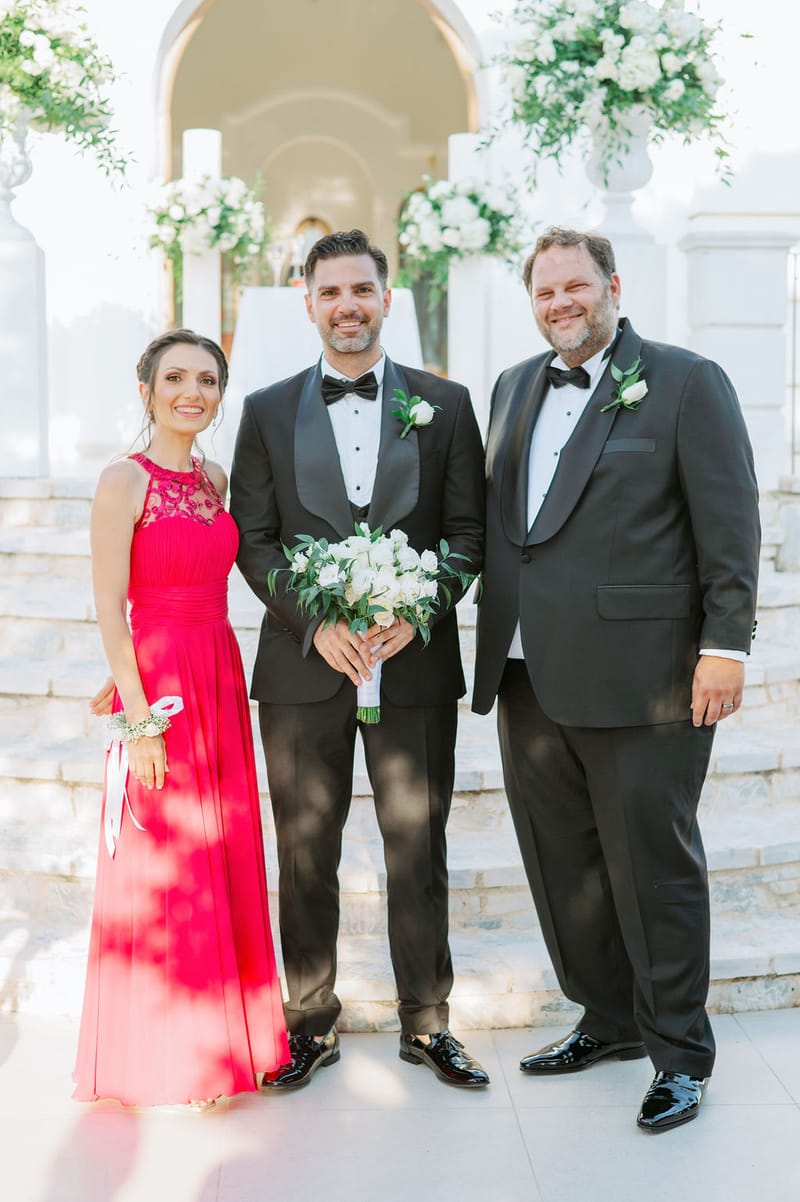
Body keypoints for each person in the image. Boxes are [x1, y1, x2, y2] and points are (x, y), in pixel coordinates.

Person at [472, 227, 760, 1132]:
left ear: (612, 286)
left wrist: (728, 645)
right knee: (564, 864)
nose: (561, 304)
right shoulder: (514, 386)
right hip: (525, 669)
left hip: (646, 676)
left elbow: (729, 518)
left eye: (576, 287)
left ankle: (680, 1051)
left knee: (653, 866)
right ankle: (606, 1019)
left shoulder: (686, 380)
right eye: (545, 292)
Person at [229, 229, 489, 1089]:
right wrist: (316, 624)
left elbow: (466, 535)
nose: (348, 306)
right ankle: (309, 1024)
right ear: (308, 303)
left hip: (411, 661)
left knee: (418, 841)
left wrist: (418, 610)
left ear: (388, 297)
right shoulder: (266, 409)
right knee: (307, 848)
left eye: (362, 290)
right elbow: (255, 543)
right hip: (305, 666)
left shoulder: (445, 405)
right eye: (330, 292)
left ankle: (427, 1022)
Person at [74, 329, 289, 1108]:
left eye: (206, 379)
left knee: (218, 851)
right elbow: (110, 604)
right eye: (175, 378)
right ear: (146, 389)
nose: (191, 392)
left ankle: (226, 1042)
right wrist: (138, 714)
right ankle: (171, 1058)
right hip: (163, 690)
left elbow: (200, 580)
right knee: (165, 863)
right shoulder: (120, 482)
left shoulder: (215, 477)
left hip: (217, 672)